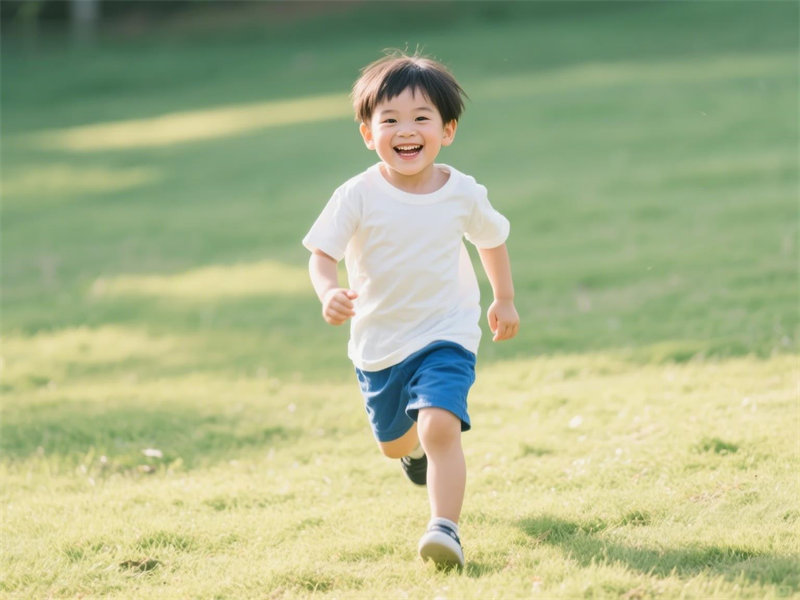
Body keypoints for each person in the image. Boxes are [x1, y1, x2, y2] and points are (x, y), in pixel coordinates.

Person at [302, 51, 519, 569]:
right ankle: (414, 456)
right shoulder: (357, 194)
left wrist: (503, 297)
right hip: (379, 342)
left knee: (440, 426)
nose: (407, 130)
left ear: (447, 130)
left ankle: (445, 528)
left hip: (447, 331)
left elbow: (491, 240)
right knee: (397, 444)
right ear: (367, 132)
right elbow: (322, 255)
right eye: (391, 119)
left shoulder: (461, 191)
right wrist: (328, 292)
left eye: (422, 118)